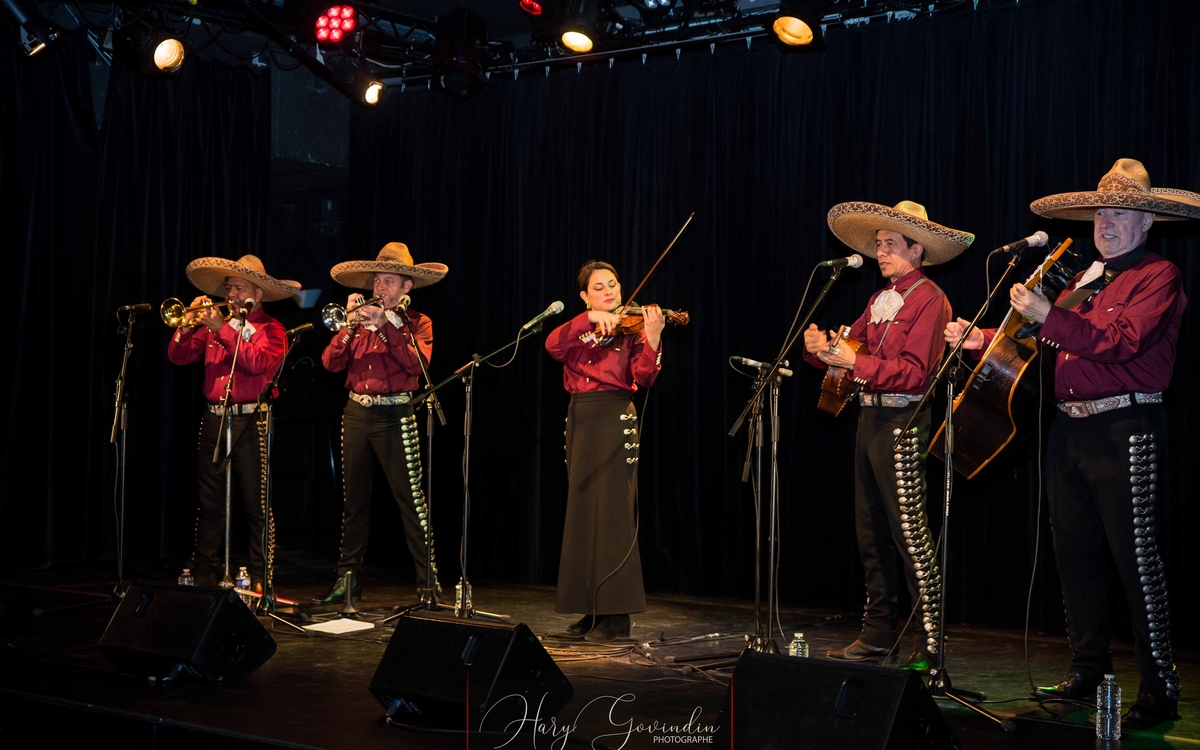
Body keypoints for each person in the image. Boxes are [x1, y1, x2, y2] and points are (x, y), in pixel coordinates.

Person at [946, 159, 1197, 722]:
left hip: (1125, 428)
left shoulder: (1158, 276)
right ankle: (1089, 668)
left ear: (1148, 220)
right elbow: (1042, 335)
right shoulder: (1086, 279)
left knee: (1135, 561)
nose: (1106, 222)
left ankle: (1160, 689)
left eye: (1120, 212)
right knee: (1074, 554)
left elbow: (1119, 342)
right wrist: (979, 337)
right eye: (1101, 212)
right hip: (1071, 429)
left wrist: (1044, 314)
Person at [802, 201, 973, 670]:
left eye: (890, 245)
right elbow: (851, 348)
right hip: (870, 420)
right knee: (871, 533)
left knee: (909, 535)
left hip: (903, 422)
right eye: (879, 245)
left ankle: (932, 644)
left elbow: (915, 373)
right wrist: (821, 351)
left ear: (916, 251)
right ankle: (879, 633)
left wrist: (852, 362)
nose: (881, 253)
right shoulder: (879, 300)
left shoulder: (930, 300)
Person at [313, 243, 448, 604]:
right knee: (353, 501)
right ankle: (347, 580)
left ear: (406, 287)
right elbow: (330, 363)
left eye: (388, 281)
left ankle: (427, 583)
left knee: (411, 501)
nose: (380, 288)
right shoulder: (358, 322)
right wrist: (350, 326)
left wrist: (387, 326)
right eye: (377, 281)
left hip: (395, 414)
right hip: (357, 412)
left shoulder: (418, 323)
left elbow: (417, 366)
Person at [545, 261, 664, 642]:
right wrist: (589, 319)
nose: (610, 292)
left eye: (613, 285)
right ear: (585, 296)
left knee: (612, 515)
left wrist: (654, 336)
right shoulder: (580, 327)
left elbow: (645, 376)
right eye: (599, 287)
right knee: (582, 513)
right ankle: (590, 610)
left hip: (614, 416)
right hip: (580, 417)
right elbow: (552, 346)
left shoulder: (632, 328)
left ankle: (616, 618)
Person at [167, 254, 299, 589]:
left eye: (238, 287)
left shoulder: (273, 329)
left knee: (256, 504)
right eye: (228, 287)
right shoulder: (215, 326)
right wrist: (188, 323)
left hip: (251, 421)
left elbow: (257, 363)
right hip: (214, 419)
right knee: (209, 503)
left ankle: (260, 577)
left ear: (257, 291)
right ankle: (202, 573)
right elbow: (178, 356)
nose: (231, 294)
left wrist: (221, 329)